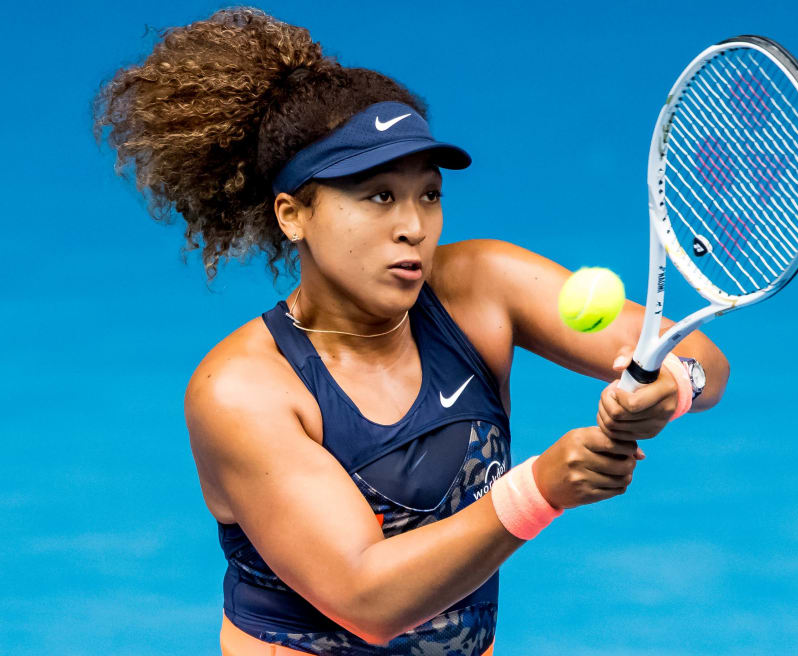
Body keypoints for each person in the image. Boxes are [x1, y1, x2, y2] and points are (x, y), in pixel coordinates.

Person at [92, 7, 729, 655]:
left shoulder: (485, 285)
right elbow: (369, 600)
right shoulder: (241, 390)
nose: (414, 226)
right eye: (378, 196)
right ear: (293, 215)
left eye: (428, 194)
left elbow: (705, 362)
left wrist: (669, 386)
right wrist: (542, 488)